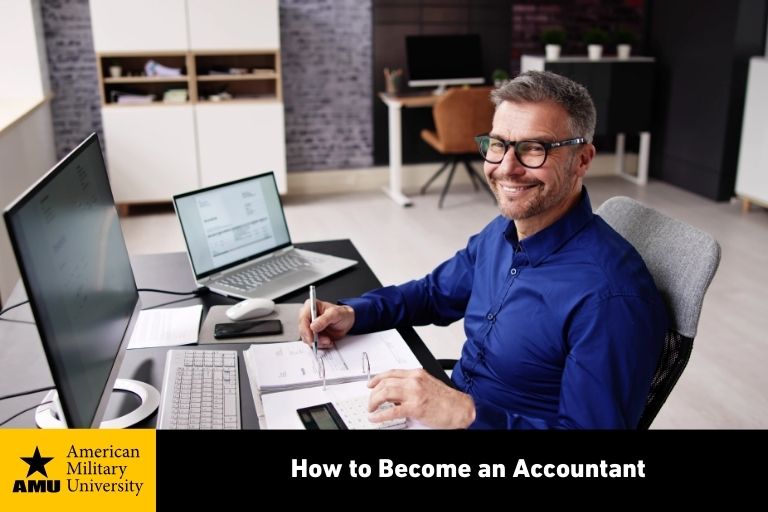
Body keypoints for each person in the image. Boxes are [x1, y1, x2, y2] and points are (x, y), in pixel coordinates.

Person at [298, 71, 667, 429]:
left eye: (534, 149)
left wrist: (465, 414)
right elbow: (431, 294)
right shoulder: (503, 232)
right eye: (497, 144)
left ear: (582, 159)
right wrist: (352, 312)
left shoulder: (611, 297)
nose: (506, 168)